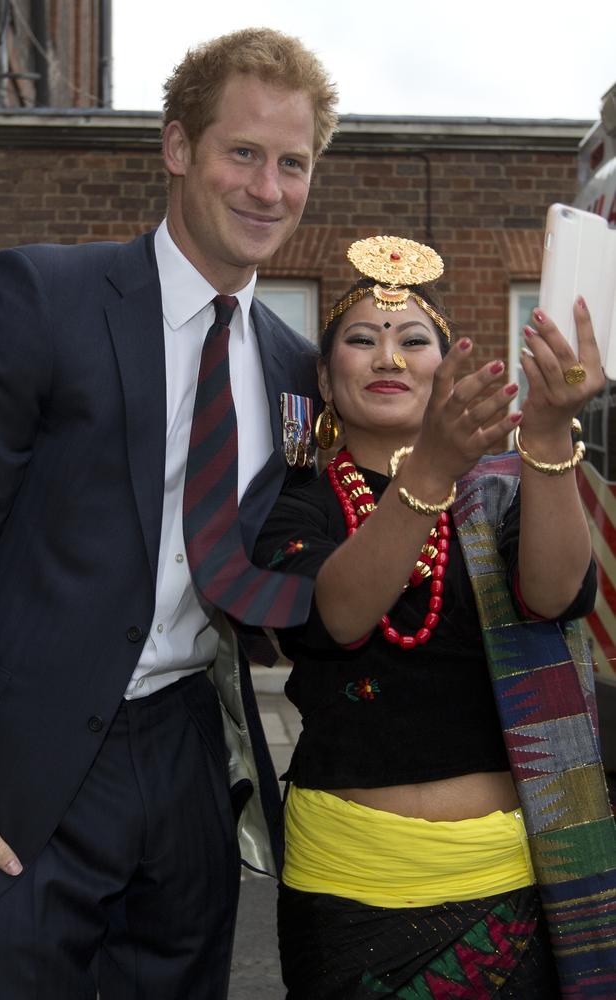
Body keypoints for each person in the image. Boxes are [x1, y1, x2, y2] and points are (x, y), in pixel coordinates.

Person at [0, 27, 338, 1000]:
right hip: (22, 769)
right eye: (242, 153)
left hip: (188, 767)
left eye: (291, 163)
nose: (267, 188)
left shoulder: (298, 378)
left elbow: (299, 545)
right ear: (178, 148)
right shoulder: (40, 297)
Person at [254, 235, 616, 998]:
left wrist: (546, 434)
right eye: (362, 339)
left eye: (414, 339)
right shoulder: (297, 504)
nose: (389, 357)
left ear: (446, 369)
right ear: (324, 376)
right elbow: (338, 617)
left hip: (511, 884)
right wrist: (430, 471)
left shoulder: (502, 492)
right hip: (349, 889)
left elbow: (554, 593)